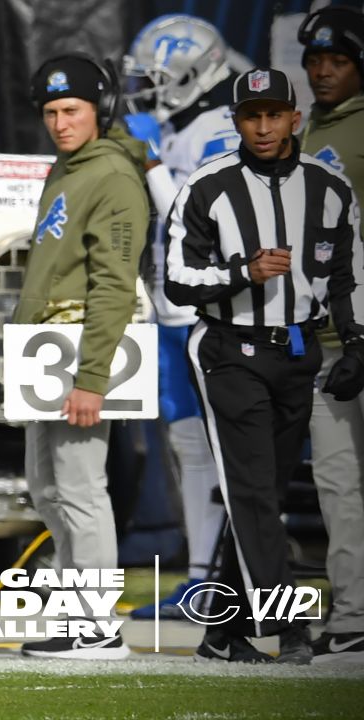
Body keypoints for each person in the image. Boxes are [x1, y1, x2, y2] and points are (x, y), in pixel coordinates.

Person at [165, 67, 364, 665]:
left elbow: (345, 276)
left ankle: (222, 632)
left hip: (297, 352)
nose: (263, 125)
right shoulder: (207, 186)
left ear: (294, 118)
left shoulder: (331, 189)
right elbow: (176, 280)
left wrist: (356, 343)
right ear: (236, 121)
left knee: (263, 493)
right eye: (252, 115)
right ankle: (288, 627)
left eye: (274, 114)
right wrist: (241, 273)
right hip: (229, 351)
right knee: (253, 494)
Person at [13, 54, 148, 659]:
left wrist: (92, 376)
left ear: (102, 109)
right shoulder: (65, 170)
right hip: (47, 350)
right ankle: (78, 617)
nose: (60, 123)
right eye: (50, 112)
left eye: (72, 110)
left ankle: (97, 624)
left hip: (79, 352)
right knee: (48, 489)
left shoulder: (113, 175)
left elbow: (115, 283)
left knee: (82, 488)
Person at [121, 14, 240, 620]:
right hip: (171, 308)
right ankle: (200, 578)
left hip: (208, 311)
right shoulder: (177, 127)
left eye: (159, 78)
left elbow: (192, 218)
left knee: (222, 449)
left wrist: (148, 164)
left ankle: (229, 580)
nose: (149, 88)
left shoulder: (219, 128)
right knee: (186, 444)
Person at [297, 6, 364, 664]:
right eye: (314, 60)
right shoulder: (305, 128)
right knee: (339, 489)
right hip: (327, 343)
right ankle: (353, 616)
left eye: (337, 60)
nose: (321, 71)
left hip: (361, 334)